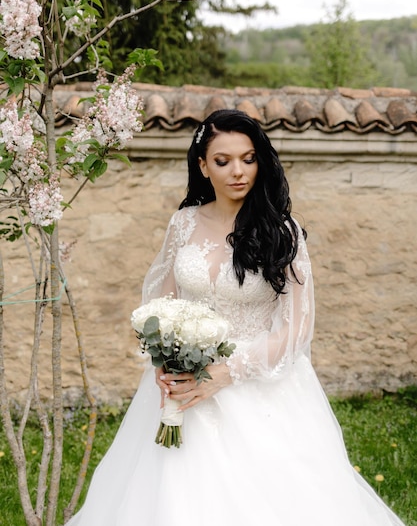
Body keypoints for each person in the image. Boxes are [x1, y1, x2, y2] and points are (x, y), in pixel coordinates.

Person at [66, 109, 406, 526]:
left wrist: (225, 374)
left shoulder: (283, 231)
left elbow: (295, 329)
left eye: (248, 158)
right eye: (223, 161)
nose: (238, 171)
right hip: (184, 380)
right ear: (203, 166)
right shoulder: (184, 223)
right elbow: (162, 303)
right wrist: (161, 362)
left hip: (258, 383)